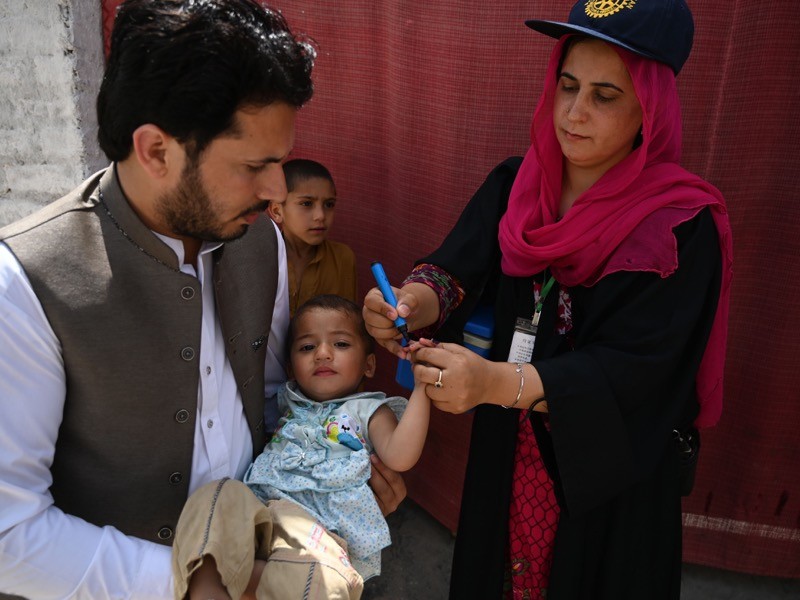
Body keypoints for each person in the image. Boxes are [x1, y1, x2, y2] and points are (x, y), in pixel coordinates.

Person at [0, 2, 404, 598]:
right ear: (157, 151)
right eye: (255, 166)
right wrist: (198, 583)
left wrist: (344, 475)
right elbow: (10, 535)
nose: (275, 192)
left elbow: (269, 402)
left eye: (281, 163)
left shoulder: (259, 239)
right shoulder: (26, 282)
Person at [363, 1, 733, 598]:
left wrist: (495, 386)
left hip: (612, 474)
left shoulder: (680, 227)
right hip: (508, 452)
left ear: (651, 108)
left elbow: (641, 371)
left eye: (605, 95)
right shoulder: (517, 184)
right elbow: (454, 271)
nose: (574, 111)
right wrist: (409, 302)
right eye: (567, 85)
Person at [172, 295, 431, 599]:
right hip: (257, 515)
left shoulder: (368, 410)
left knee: (320, 574)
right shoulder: (287, 402)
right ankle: (208, 587)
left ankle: (261, 580)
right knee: (217, 494)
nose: (322, 354)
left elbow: (400, 456)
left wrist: (423, 388)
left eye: (341, 344)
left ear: (369, 365)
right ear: (291, 367)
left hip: (317, 533)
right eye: (307, 347)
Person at [267, 158, 358, 315]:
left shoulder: (342, 258)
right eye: (307, 204)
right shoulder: (262, 258)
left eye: (329, 204)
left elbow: (347, 320)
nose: (320, 216)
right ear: (277, 211)